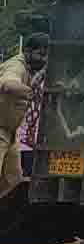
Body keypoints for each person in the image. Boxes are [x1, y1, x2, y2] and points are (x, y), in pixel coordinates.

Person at [0, 32, 48, 199]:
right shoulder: (16, 66)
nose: (43, 60)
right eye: (40, 54)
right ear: (27, 51)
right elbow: (8, 85)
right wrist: (32, 93)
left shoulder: (30, 70)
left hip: (9, 133)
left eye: (46, 56)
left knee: (13, 179)